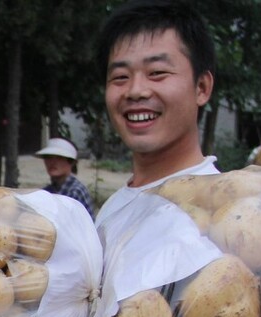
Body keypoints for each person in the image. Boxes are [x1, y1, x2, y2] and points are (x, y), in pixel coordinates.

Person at [94, 0, 217, 229]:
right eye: (121, 76)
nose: (135, 91)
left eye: (157, 73)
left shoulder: (221, 212)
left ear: (201, 87)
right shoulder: (111, 211)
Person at [35, 137, 94, 216]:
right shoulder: (48, 191)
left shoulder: (75, 192)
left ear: (72, 162)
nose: (53, 162)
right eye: (48, 157)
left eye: (59, 158)